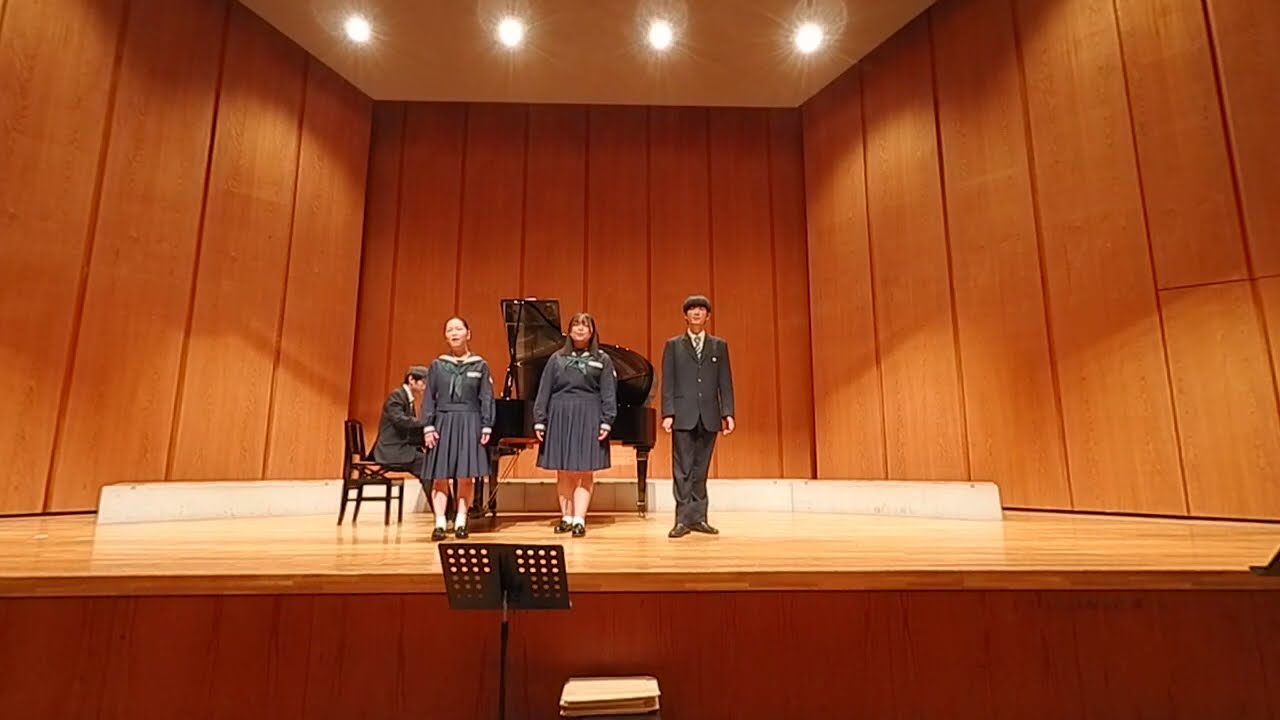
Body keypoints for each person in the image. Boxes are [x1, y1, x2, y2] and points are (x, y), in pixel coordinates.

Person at [533, 312, 617, 537]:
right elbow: (544, 390)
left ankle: (580, 519)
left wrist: (607, 421)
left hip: (589, 414)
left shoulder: (602, 360)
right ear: (569, 331)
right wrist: (540, 420)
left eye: (585, 325)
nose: (580, 329)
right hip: (560, 414)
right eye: (576, 325)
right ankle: (566, 517)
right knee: (564, 470)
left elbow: (609, 392)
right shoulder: (556, 358)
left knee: (585, 470)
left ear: (592, 331)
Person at [660, 295, 734, 538]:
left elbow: (725, 382)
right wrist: (668, 412)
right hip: (683, 414)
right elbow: (668, 382)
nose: (696, 313)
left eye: (701, 309)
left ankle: (699, 518)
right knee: (682, 469)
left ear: (708, 316)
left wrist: (728, 413)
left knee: (701, 469)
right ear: (685, 315)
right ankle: (682, 520)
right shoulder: (673, 345)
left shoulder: (719, 346)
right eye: (692, 309)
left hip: (710, 415)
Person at [420, 317, 494, 541]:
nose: (454, 333)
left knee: (465, 477)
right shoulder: (437, 365)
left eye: (458, 329)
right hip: (442, 422)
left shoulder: (480, 365)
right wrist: (428, 426)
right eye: (449, 329)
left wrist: (487, 425)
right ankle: (440, 523)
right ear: (445, 336)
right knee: (439, 477)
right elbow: (429, 397)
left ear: (468, 334)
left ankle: (461, 521)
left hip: (470, 422)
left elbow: (486, 398)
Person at [371, 366, 430, 478]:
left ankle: (435, 489)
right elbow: (400, 421)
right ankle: (435, 490)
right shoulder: (397, 395)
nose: (426, 387)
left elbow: (410, 427)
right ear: (411, 380)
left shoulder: (406, 398)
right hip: (393, 450)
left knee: (430, 462)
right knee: (428, 465)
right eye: (424, 382)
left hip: (401, 448)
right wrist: (425, 423)